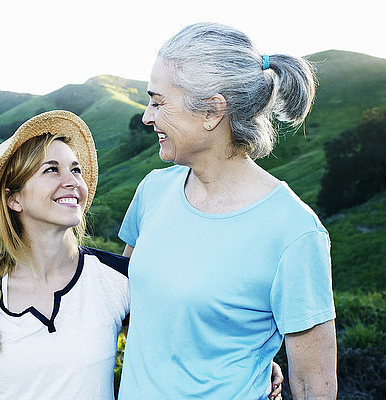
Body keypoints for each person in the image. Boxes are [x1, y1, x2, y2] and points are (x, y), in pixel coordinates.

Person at [0, 110, 284, 400]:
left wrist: (254, 362)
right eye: (51, 170)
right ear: (14, 199)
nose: (72, 180)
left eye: (75, 169)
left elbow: (188, 332)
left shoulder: (117, 278)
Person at [117, 22, 337, 399]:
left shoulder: (294, 232)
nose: (147, 116)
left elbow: (312, 385)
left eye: (158, 101)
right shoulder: (153, 190)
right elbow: (127, 305)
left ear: (212, 112)